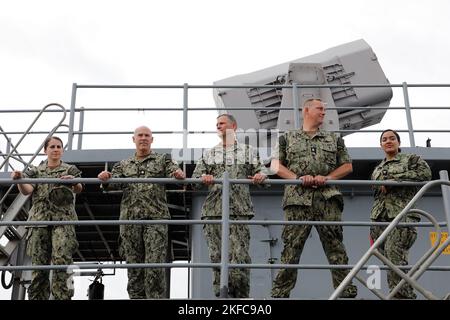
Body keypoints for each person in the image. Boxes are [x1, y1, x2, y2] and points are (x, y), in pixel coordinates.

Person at [270, 98, 358, 298]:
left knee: (336, 249)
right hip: (297, 200)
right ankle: (279, 296)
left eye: (324, 109)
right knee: (291, 251)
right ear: (306, 110)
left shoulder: (334, 139)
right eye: (320, 108)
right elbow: (276, 166)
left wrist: (327, 177)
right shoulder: (287, 138)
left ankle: (346, 294)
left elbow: (347, 166)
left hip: (327, 199)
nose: (323, 112)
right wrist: (298, 178)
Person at [97, 126, 185, 299]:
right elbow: (111, 185)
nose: (143, 138)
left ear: (152, 140)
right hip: (130, 223)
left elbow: (174, 173)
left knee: (155, 268)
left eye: (147, 136)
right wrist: (106, 179)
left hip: (156, 220)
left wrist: (178, 174)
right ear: (134, 139)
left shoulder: (163, 160)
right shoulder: (123, 165)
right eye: (140, 135)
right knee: (134, 269)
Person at [192, 114, 268, 298]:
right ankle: (222, 296)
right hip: (214, 211)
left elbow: (263, 174)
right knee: (217, 257)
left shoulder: (248, 151)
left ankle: (241, 298)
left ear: (233, 126)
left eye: (222, 123)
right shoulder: (210, 154)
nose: (218, 126)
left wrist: (260, 177)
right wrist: (204, 179)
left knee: (240, 257)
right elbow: (194, 180)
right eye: (216, 123)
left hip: (239, 210)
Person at [11, 136, 83, 300]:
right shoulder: (36, 171)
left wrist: (74, 182)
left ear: (62, 150)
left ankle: (62, 297)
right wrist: (19, 180)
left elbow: (79, 189)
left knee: (61, 262)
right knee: (39, 267)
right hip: (39, 223)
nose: (56, 149)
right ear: (45, 150)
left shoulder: (69, 169)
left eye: (59, 146)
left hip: (63, 222)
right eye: (52, 147)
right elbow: (27, 190)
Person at [370, 129, 431, 299]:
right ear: (381, 145)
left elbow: (425, 174)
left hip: (402, 215)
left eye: (392, 138)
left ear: (399, 142)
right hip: (379, 218)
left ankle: (404, 296)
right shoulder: (378, 168)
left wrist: (395, 180)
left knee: (395, 257)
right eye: (384, 139)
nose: (388, 141)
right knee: (388, 260)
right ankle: (398, 294)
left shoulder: (411, 159)